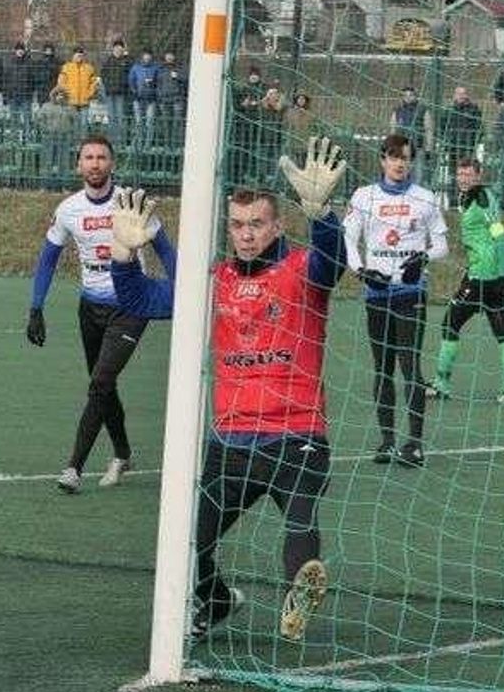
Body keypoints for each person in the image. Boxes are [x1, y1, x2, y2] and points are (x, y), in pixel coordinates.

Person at [107, 136, 348, 641]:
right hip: (233, 442)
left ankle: (295, 600)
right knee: (188, 539)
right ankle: (215, 599)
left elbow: (333, 262)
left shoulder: (301, 270)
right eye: (237, 225)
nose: (246, 234)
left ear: (277, 225)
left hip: (297, 435)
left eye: (256, 224)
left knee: (300, 520)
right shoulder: (213, 279)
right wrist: (125, 254)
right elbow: (142, 299)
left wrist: (322, 213)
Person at [25, 134, 177, 493]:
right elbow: (48, 257)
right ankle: (122, 454)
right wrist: (36, 306)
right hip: (89, 308)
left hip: (130, 305)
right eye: (88, 157)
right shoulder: (68, 209)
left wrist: (183, 291)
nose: (95, 163)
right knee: (103, 384)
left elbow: (167, 253)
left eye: (101, 157)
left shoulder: (131, 205)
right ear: (78, 164)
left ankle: (73, 468)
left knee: (99, 383)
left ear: (112, 163)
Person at [344, 134, 449, 466]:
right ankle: (387, 441)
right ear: (382, 159)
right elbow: (349, 239)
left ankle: (414, 444)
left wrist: (423, 258)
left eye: (405, 158)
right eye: (393, 157)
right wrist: (362, 270)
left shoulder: (425, 198)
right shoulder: (364, 196)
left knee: (410, 367)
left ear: (412, 161)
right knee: (382, 369)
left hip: (410, 294)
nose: (400, 163)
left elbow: (443, 245)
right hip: (376, 293)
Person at [427, 157, 504, 404]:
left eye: (468, 175)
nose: (463, 179)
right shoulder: (471, 197)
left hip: (484, 274)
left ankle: (441, 384)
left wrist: (503, 275)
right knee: (502, 329)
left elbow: (501, 236)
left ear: (479, 176)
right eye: (460, 174)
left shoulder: (482, 197)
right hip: (489, 273)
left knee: (450, 322)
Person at [438, 86, 483, 201]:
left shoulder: (474, 110)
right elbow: (442, 128)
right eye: (459, 94)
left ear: (467, 95)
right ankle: (453, 199)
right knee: (454, 174)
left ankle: (468, 198)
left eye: (463, 93)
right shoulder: (448, 110)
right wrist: (446, 141)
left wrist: (474, 142)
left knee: (468, 173)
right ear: (455, 95)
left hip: (467, 147)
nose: (461, 96)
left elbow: (479, 128)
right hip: (453, 148)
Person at [390, 86, 434, 185]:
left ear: (415, 96)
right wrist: (392, 146)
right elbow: (393, 129)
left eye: (411, 95)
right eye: (405, 95)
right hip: (402, 149)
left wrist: (428, 148)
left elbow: (429, 129)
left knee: (418, 176)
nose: (408, 97)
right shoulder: (397, 110)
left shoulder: (423, 109)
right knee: (402, 174)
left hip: (417, 146)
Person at [99, 38, 131, 143]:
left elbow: (129, 76)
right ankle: (111, 140)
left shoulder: (127, 61)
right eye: (116, 47)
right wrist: (107, 87)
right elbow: (103, 75)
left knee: (121, 117)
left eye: (120, 47)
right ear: (113, 49)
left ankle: (121, 140)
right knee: (111, 117)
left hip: (121, 94)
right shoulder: (108, 61)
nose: (118, 49)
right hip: (109, 93)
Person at [57, 46, 100, 124]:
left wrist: (89, 93)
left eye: (81, 55)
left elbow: (94, 83)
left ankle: (83, 136)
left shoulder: (89, 68)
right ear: (73, 56)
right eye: (77, 55)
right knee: (73, 126)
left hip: (85, 102)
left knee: (84, 125)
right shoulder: (66, 67)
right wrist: (67, 93)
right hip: (71, 102)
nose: (79, 57)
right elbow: (61, 82)